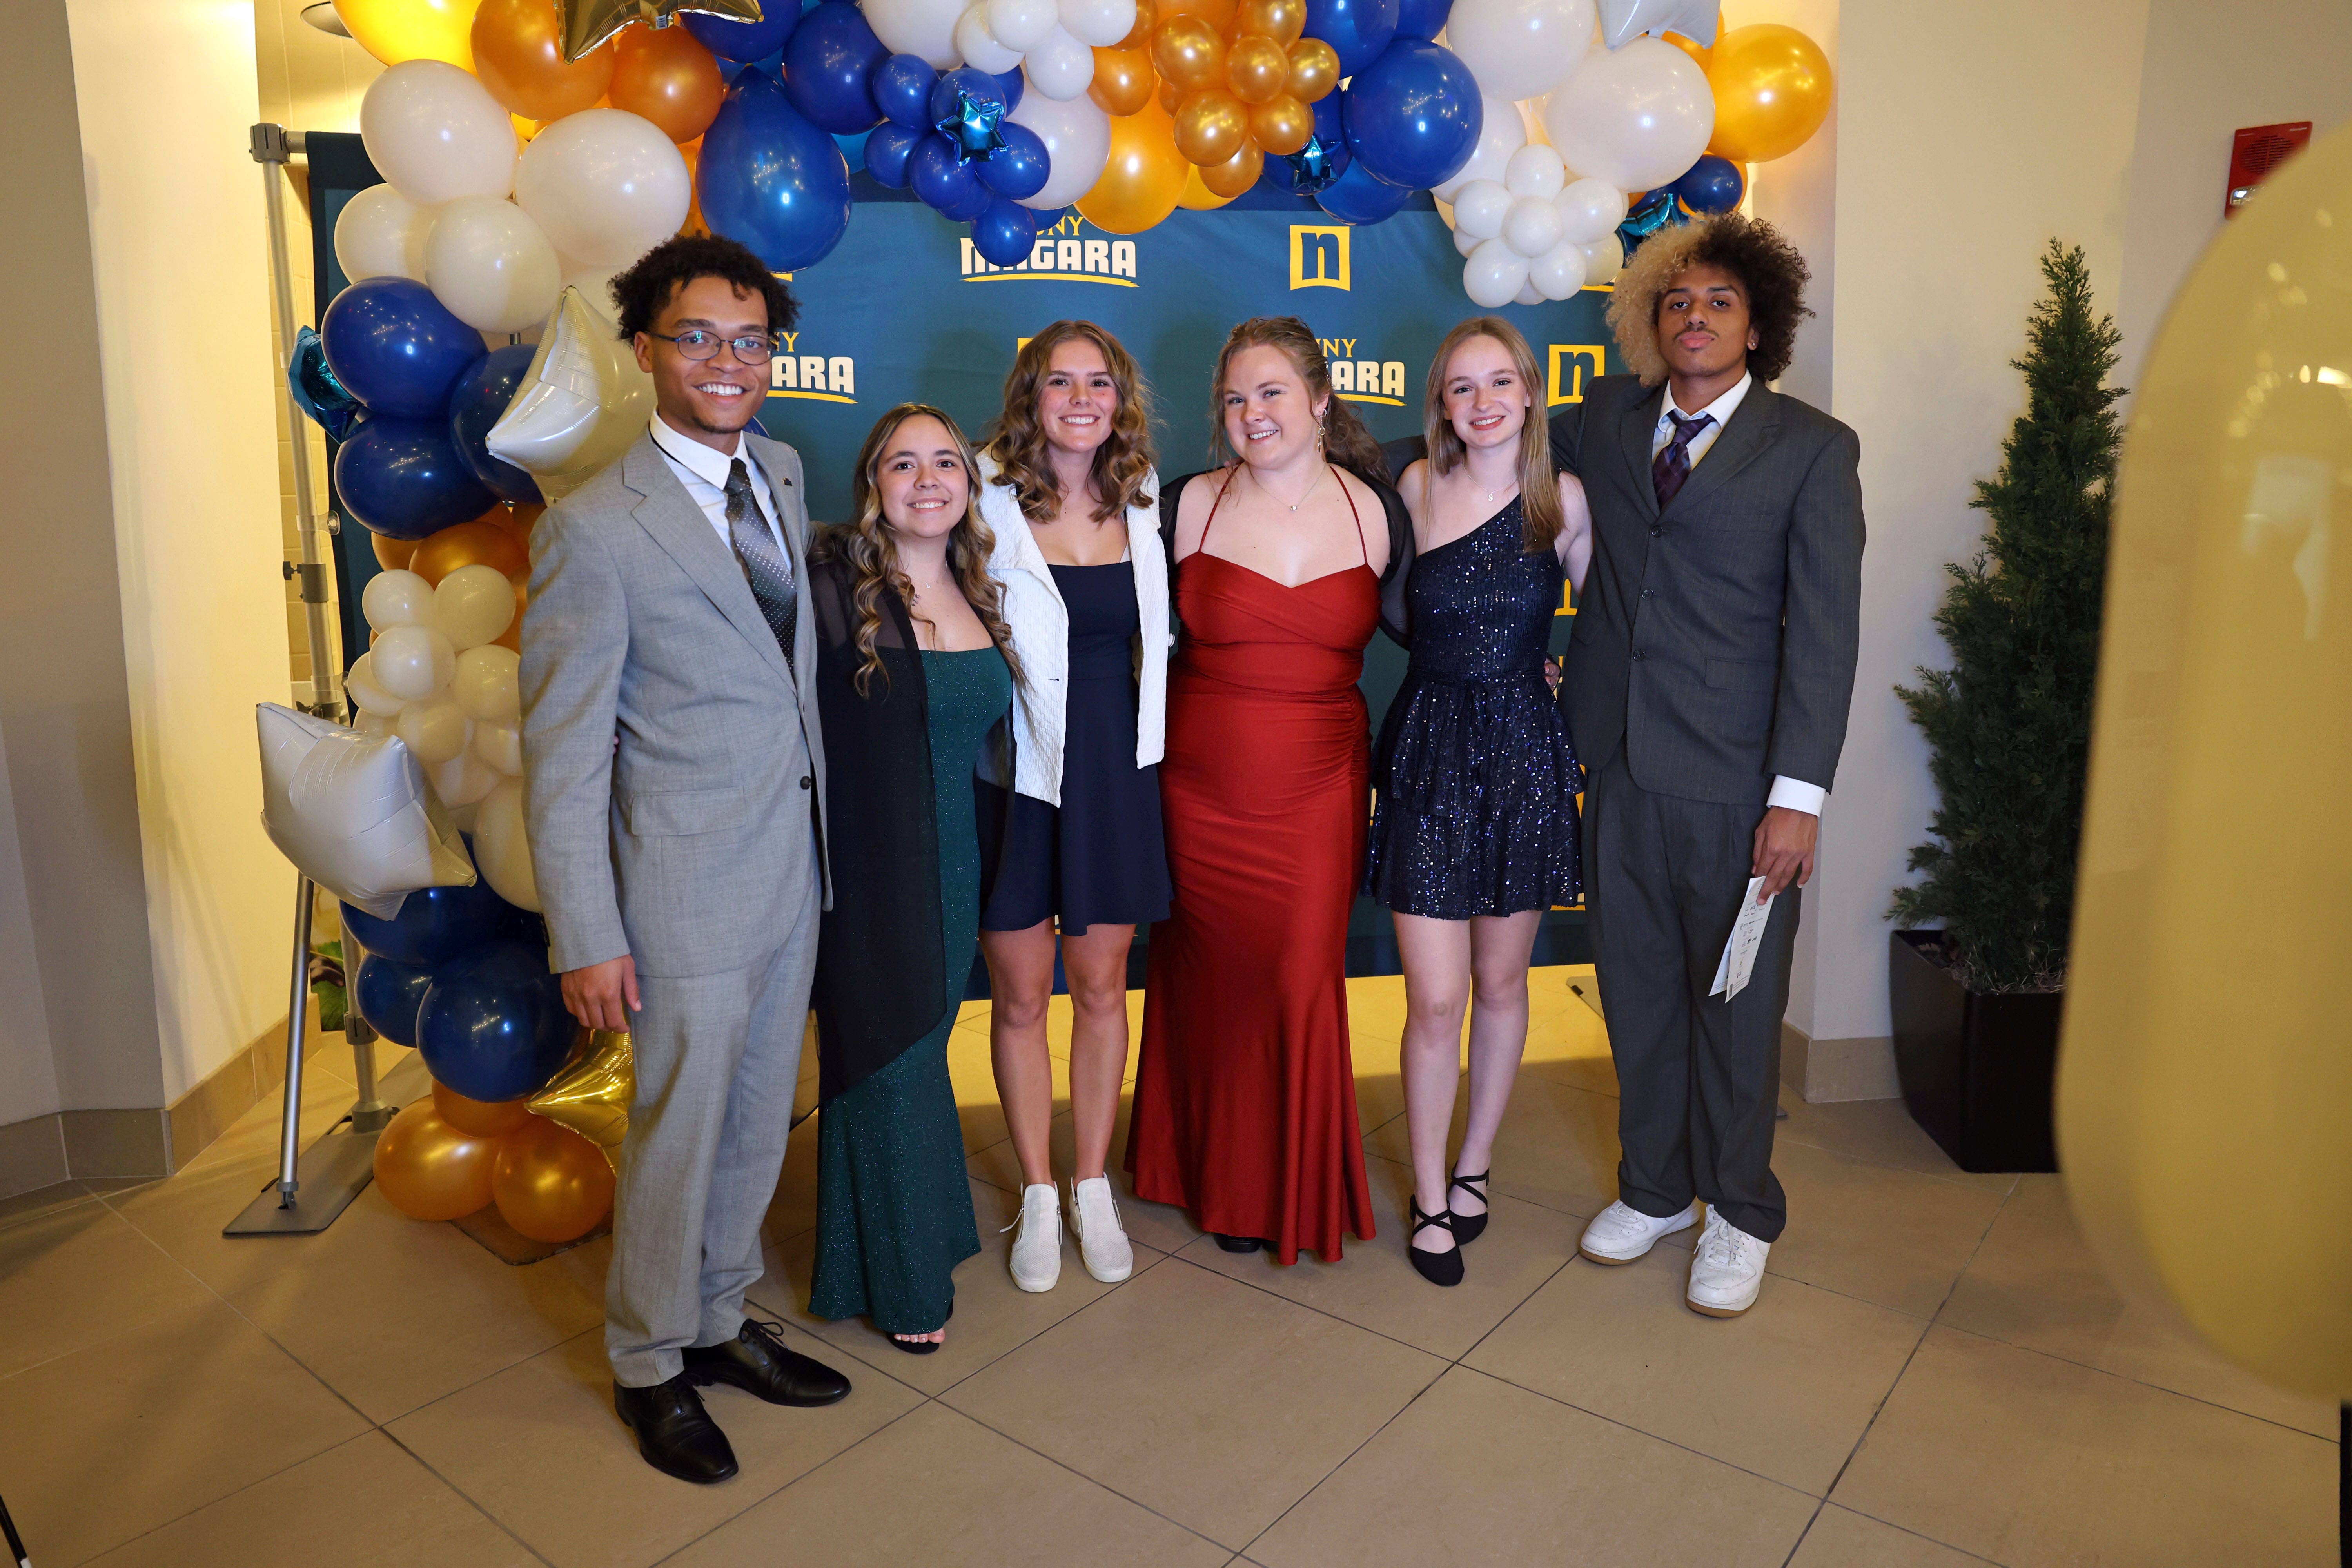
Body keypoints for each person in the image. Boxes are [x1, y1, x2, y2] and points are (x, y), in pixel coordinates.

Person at [521, 234, 851, 1484]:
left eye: (751, 339)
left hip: (787, 873)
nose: (728, 360)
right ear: (647, 349)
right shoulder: (594, 533)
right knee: (678, 1130)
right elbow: (561, 756)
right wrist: (588, 932)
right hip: (677, 895)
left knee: (759, 1119)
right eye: (699, 337)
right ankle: (650, 1362)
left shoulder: (778, 467)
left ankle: (717, 1319)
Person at [1550, 213, 1864, 1318]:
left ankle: (1739, 1210)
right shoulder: (1603, 418)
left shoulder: (1814, 451)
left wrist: (1799, 800)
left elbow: (1826, 636)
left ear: (1759, 324)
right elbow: (1476, 443)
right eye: (1677, 300)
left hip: (1741, 788)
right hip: (1622, 767)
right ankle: (1657, 1189)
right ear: (1651, 318)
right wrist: (1312, 444)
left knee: (1734, 1003)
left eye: (1720, 301)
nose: (1694, 315)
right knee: (1636, 996)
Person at [1127, 316, 1414, 1265]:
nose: (1252, 413)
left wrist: (1521, 668)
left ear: (1322, 398)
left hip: (1320, 784)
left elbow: (1442, 622)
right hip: (1199, 784)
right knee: (1206, 978)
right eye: (1236, 398)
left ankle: (1281, 1180)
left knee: (1295, 975)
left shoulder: (1380, 509)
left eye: (1273, 392)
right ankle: (1195, 1170)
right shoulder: (1183, 504)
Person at [1372, 317, 1593, 1288]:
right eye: (1462, 387)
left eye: (1500, 381)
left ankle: (1474, 1164)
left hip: (1523, 757)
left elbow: (1624, 629)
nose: (1483, 401)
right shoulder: (1415, 484)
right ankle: (1427, 1195)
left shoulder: (1563, 499)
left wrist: (1562, 686)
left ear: (1532, 392)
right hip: (1427, 746)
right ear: (1440, 404)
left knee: (1505, 985)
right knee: (1435, 997)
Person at [806, 404, 1020, 1352]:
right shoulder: (832, 588)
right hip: (868, 861)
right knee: (885, 1049)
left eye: (946, 461)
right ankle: (904, 1287)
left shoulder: (984, 589)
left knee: (918, 1045)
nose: (928, 477)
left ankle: (880, 1247)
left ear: (969, 486)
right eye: (904, 463)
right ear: (874, 486)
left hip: (956, 861)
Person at [972, 323, 1171, 1293]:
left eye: (1100, 380)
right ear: (1031, 395)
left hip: (1115, 766)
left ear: (1121, 398)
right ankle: (1038, 1193)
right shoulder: (980, 493)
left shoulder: (1145, 496)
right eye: (1062, 381)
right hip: (1013, 770)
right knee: (1019, 995)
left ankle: (1093, 1182)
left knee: (1101, 986)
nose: (1082, 397)